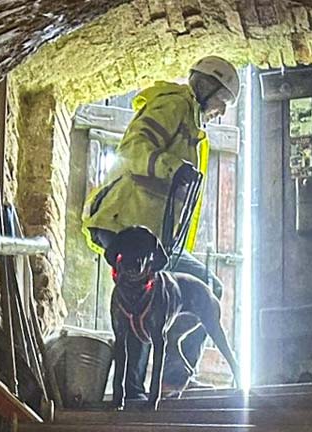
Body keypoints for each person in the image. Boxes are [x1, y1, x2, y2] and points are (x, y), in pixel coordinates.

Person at [83, 56, 240, 398]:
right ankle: (149, 387)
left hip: (147, 229)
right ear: (206, 87)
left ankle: (165, 381)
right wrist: (173, 167)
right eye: (221, 101)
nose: (220, 112)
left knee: (161, 296)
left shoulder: (191, 121)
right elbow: (134, 149)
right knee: (154, 296)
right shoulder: (174, 105)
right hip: (128, 221)